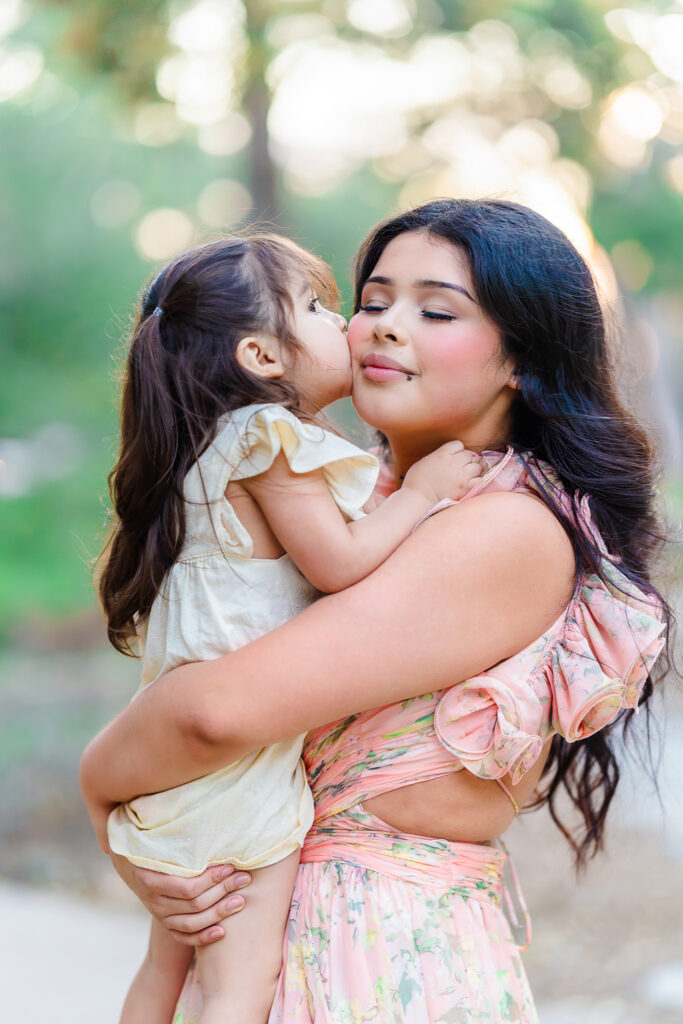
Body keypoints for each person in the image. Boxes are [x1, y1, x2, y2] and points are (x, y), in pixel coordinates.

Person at [81, 199, 669, 1024]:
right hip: (267, 922)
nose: (386, 327)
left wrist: (101, 790)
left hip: (370, 953)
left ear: (521, 360)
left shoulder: (503, 527)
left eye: (435, 310)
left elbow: (213, 713)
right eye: (370, 301)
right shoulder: (354, 496)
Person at [96, 232, 484, 1024]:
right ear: (263, 357)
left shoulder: (210, 451)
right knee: (239, 986)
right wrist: (421, 491)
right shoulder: (269, 443)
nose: (345, 321)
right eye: (315, 307)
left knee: (166, 969)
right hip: (235, 773)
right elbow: (339, 566)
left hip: (185, 767)